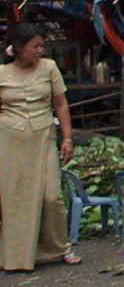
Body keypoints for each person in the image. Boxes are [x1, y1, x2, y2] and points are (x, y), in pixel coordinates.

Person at [0, 23, 81, 271]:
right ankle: (18, 255)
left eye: (42, 46)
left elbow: (61, 105)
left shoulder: (49, 68)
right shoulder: (2, 73)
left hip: (43, 135)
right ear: (20, 48)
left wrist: (67, 138)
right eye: (35, 46)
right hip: (10, 139)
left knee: (51, 196)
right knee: (15, 198)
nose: (39, 51)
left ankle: (60, 247)